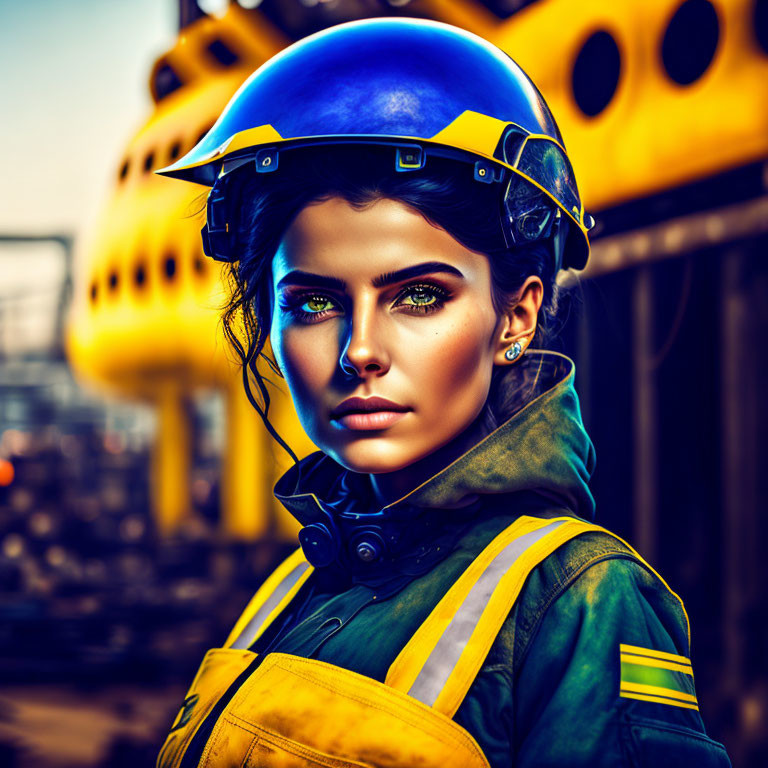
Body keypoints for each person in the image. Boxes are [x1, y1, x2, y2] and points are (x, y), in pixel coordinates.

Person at [154, 18, 731, 768]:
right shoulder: (298, 577)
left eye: (418, 295)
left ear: (515, 317)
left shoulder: (581, 605)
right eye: (315, 303)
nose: (359, 350)